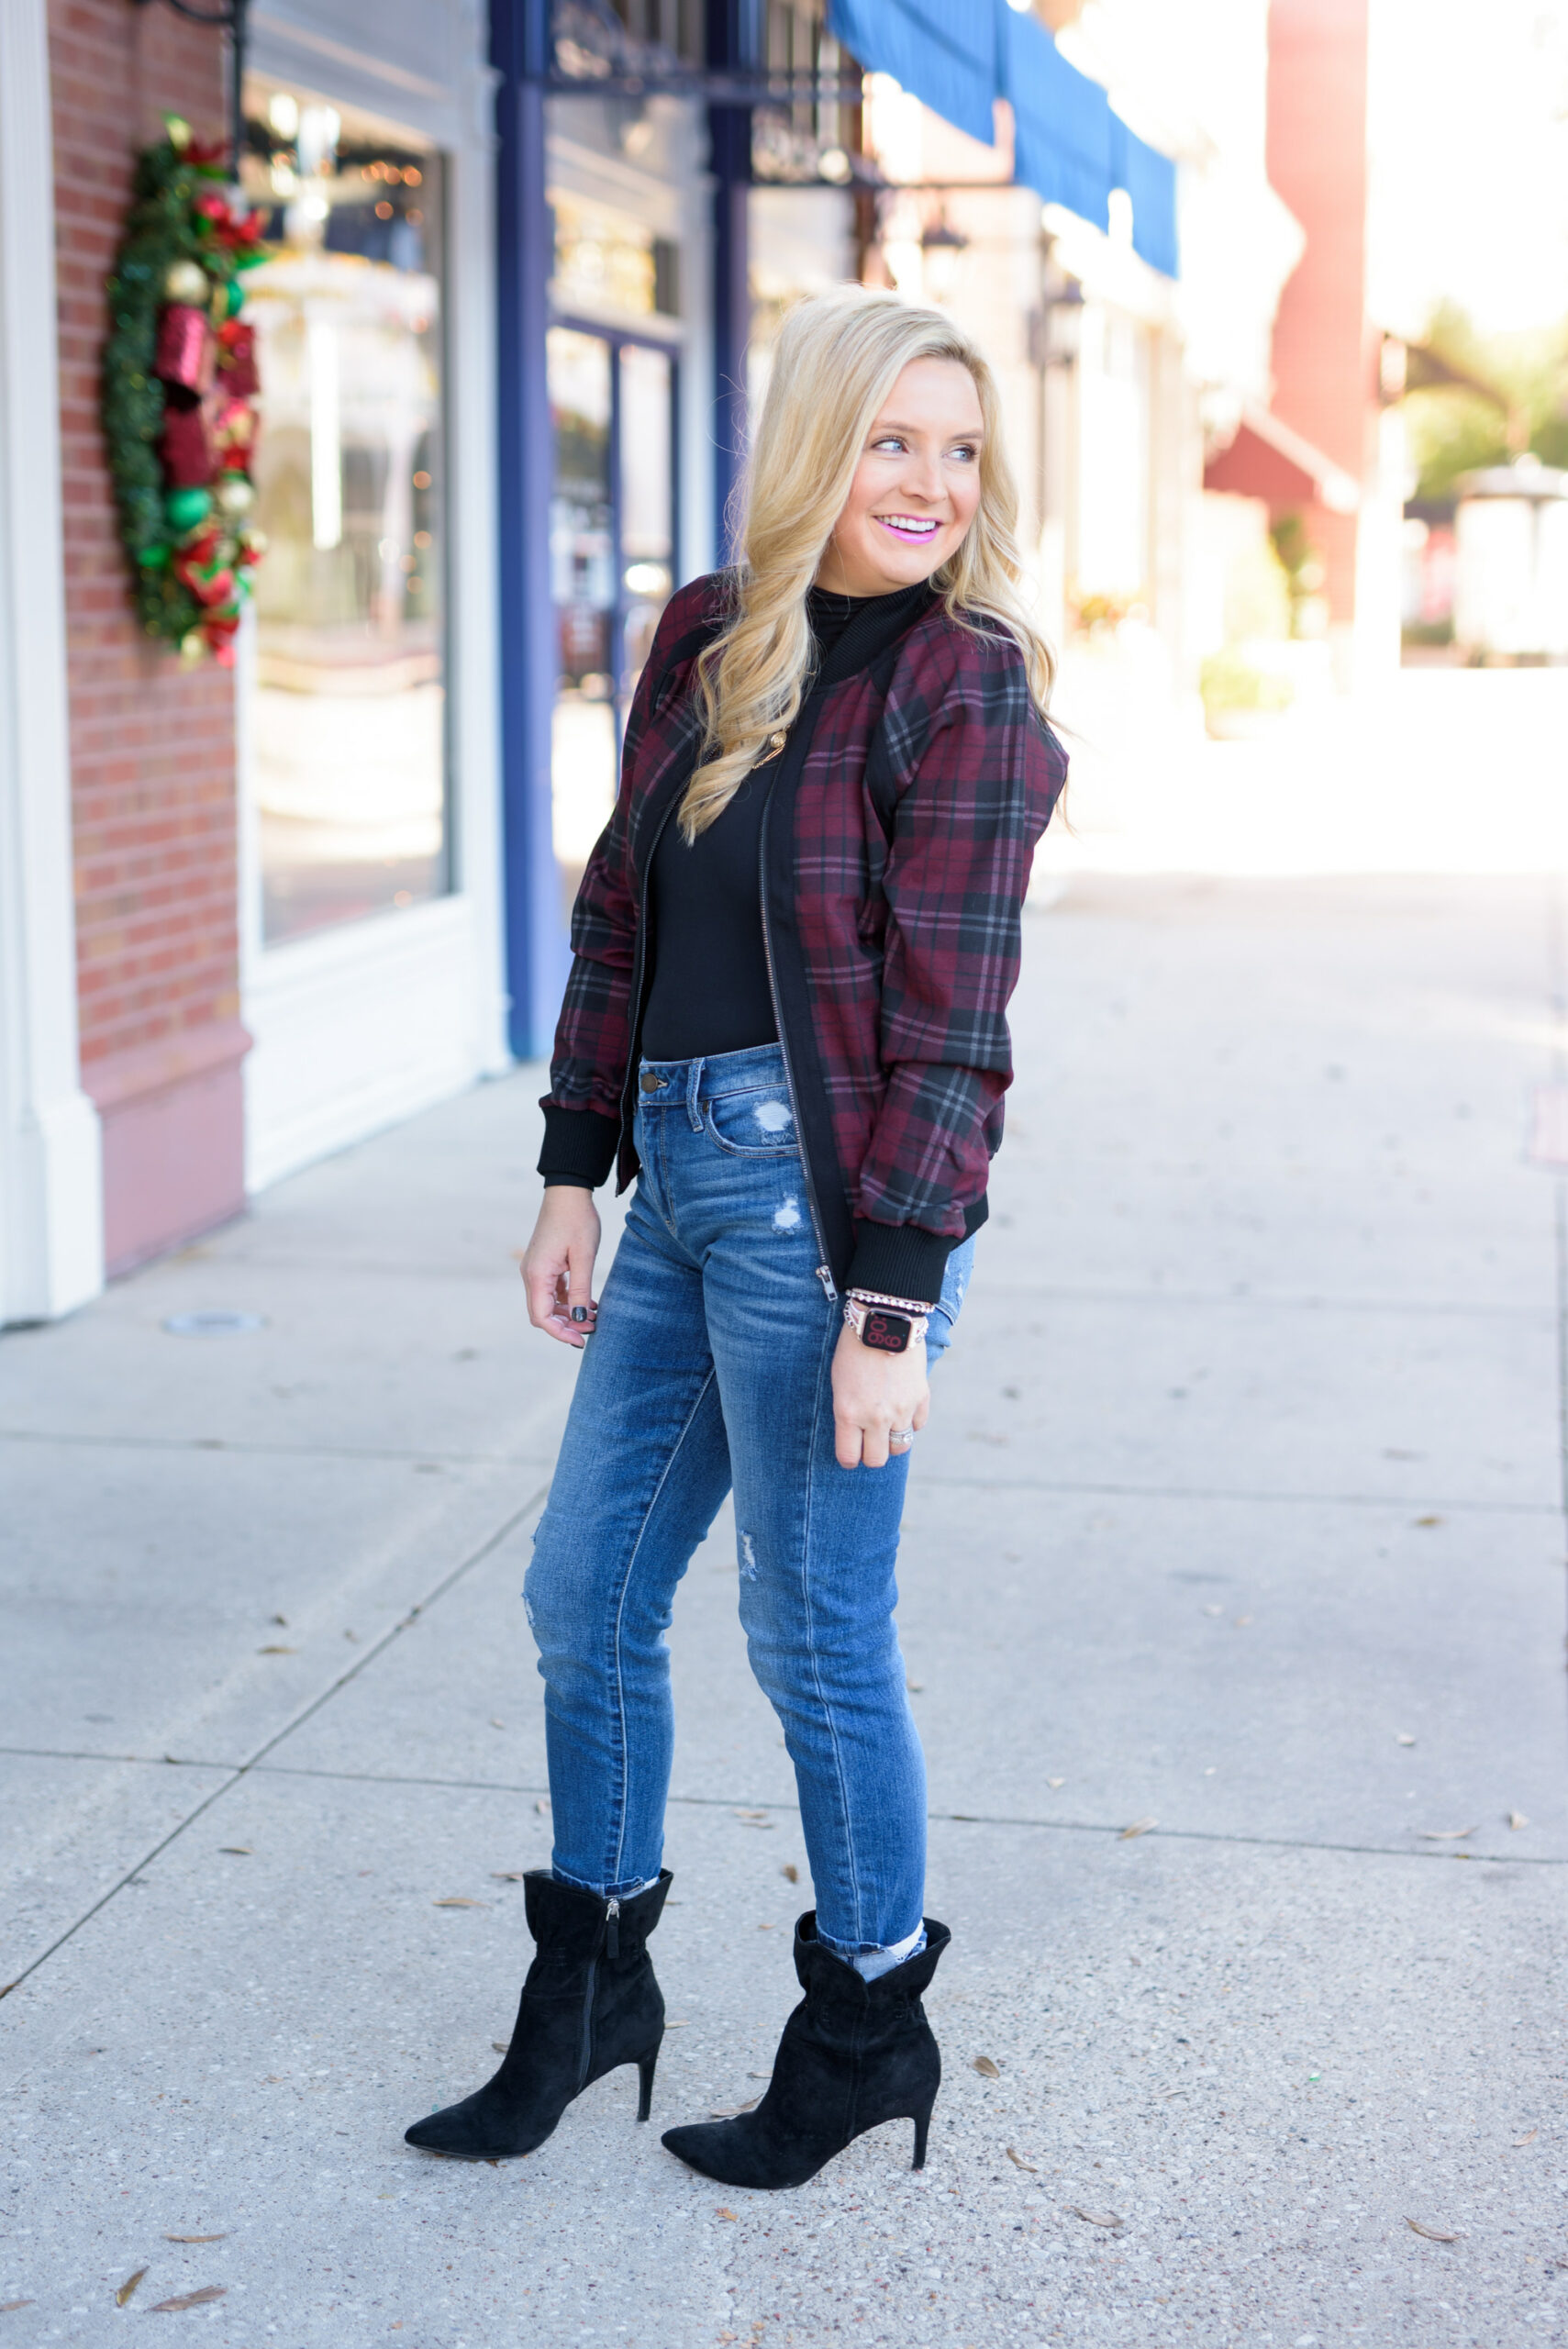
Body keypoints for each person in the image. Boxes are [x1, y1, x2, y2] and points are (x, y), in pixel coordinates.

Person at [405, 286, 1067, 2189]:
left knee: (814, 1632)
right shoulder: (710, 632)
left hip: (825, 1205)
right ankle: (593, 1982)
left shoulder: (969, 684)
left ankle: (867, 2019)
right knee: (583, 1594)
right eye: (893, 439)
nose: (932, 481)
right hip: (679, 1184)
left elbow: (955, 1026)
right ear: (815, 440)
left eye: (959, 447)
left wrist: (896, 1301)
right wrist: (567, 1163)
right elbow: (624, 910)